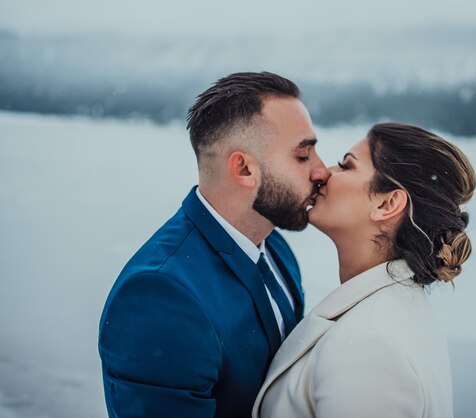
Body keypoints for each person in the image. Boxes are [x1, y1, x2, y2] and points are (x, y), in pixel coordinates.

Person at [98, 71, 330, 418]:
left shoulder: (275, 246)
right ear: (244, 168)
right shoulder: (159, 296)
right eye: (302, 155)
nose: (322, 171)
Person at [253, 122, 476, 418]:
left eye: (346, 166)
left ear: (387, 203)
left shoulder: (369, 345)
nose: (324, 173)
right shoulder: (395, 310)